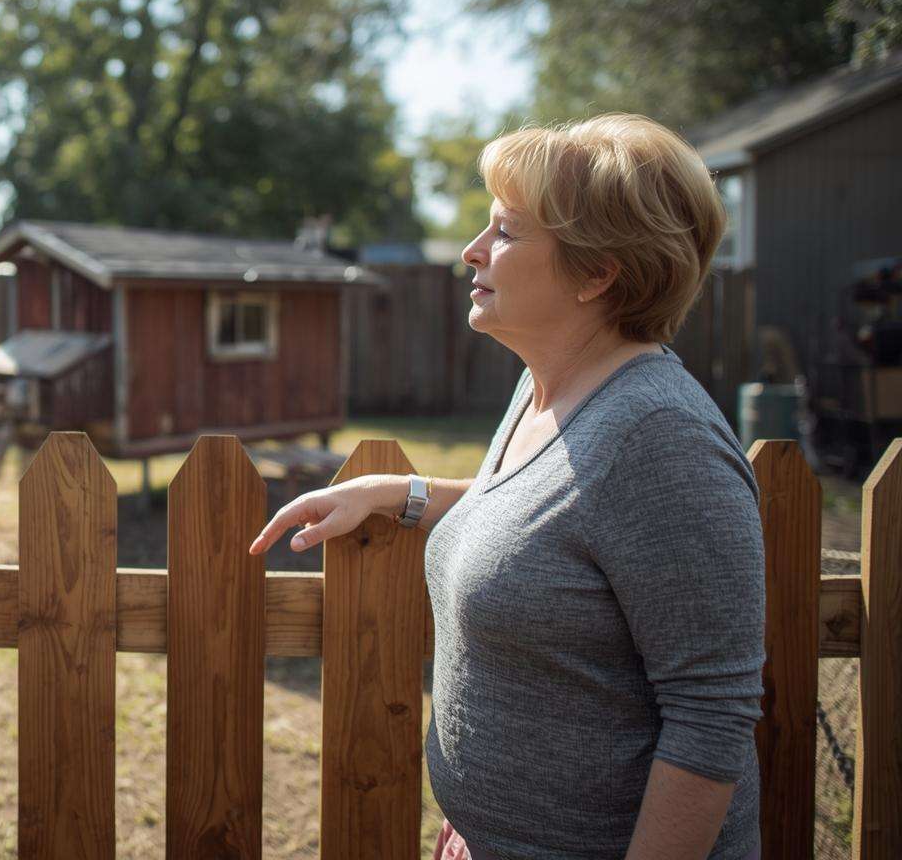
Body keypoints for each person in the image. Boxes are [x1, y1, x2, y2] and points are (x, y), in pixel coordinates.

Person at [250, 114, 765, 859]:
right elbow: (548, 525)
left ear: (597, 273)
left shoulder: (662, 441)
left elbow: (710, 717)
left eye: (506, 231)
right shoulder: (545, 388)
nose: (472, 251)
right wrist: (403, 493)